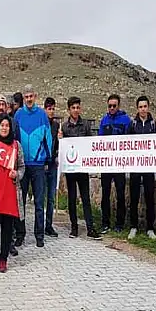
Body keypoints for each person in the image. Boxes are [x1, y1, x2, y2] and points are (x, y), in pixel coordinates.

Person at [0, 114, 25, 273]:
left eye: (7, 125)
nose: (4, 128)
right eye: (2, 125)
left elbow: (22, 167)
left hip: (10, 194)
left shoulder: (16, 145)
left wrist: (18, 174)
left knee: (8, 230)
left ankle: (3, 259)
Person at [13, 85, 51, 247]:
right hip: (22, 165)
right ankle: (20, 234)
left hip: (37, 165)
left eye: (31, 96)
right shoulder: (18, 114)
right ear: (24, 97)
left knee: (39, 202)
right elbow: (14, 138)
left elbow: (48, 138)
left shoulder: (42, 115)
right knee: (20, 202)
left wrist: (47, 159)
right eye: (26, 96)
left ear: (35, 96)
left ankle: (39, 235)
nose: (29, 99)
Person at [60, 97, 101, 240]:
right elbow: (63, 147)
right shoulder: (64, 127)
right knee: (71, 199)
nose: (76, 110)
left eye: (78, 107)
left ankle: (90, 228)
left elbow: (90, 144)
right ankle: (74, 227)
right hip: (71, 170)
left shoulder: (85, 126)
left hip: (82, 169)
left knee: (85, 199)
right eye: (73, 108)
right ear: (69, 109)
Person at [127, 96, 156, 240]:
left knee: (149, 197)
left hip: (148, 165)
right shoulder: (133, 124)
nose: (143, 109)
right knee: (134, 197)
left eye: (145, 106)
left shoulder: (153, 124)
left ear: (148, 107)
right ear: (137, 108)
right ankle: (133, 227)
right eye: (140, 107)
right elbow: (127, 143)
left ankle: (150, 228)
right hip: (135, 165)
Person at [98, 94, 131, 234]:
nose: (112, 108)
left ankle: (119, 223)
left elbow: (130, 140)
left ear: (118, 106)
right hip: (106, 164)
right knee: (105, 194)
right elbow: (98, 140)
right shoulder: (104, 120)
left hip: (119, 164)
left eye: (114, 106)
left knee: (120, 194)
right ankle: (105, 222)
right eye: (109, 106)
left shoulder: (126, 120)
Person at [43, 97, 60, 238]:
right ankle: (38, 225)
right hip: (42, 164)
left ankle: (48, 225)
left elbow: (58, 145)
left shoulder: (56, 126)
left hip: (53, 164)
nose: (51, 111)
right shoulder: (41, 124)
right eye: (49, 108)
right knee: (40, 197)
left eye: (53, 108)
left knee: (51, 197)